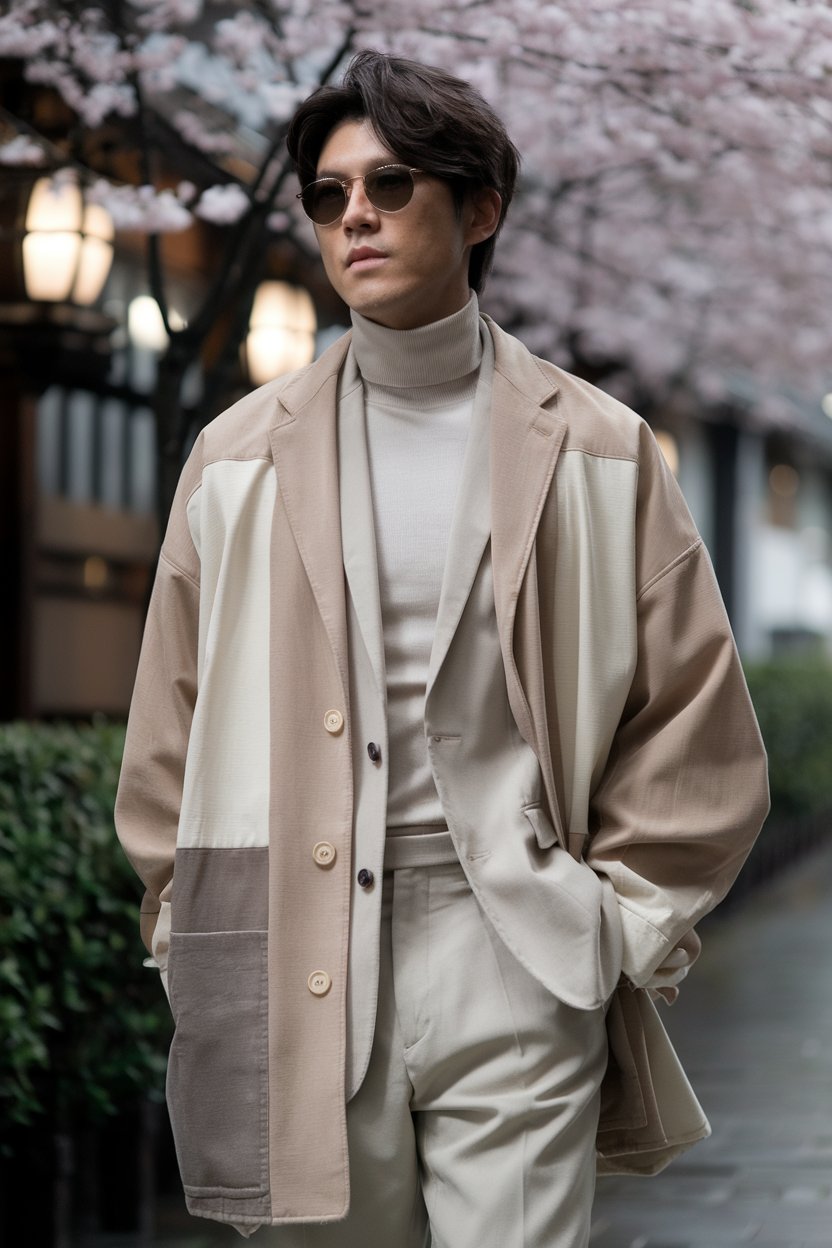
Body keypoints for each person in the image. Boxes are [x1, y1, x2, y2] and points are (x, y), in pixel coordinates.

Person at [115, 50, 769, 1248]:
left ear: (479, 211)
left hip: (515, 944)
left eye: (391, 183)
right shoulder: (236, 456)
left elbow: (697, 723)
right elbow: (168, 723)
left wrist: (616, 924)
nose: (353, 213)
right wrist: (183, 934)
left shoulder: (601, 451)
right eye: (326, 194)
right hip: (291, 950)